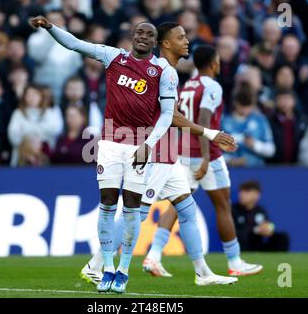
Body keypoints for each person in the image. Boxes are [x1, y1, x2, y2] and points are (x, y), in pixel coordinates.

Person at [80, 23, 238, 290]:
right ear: (165, 43)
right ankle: (95, 266)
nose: (186, 41)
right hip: (155, 154)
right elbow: (173, 117)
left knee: (186, 209)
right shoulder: (159, 70)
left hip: (169, 154)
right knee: (137, 214)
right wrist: (210, 134)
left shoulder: (170, 72)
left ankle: (202, 272)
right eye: (180, 38)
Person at [29, 16, 179, 294]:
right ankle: (107, 268)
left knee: (132, 207)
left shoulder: (164, 72)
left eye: (149, 34)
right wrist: (50, 27)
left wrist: (149, 143)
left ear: (156, 42)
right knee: (108, 203)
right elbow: (75, 44)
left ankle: (123, 270)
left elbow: (168, 114)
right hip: (110, 143)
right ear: (132, 37)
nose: (143, 37)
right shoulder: (113, 57)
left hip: (139, 145)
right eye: (139, 32)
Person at [144, 45, 262, 278]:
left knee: (177, 205)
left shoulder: (188, 85)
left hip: (183, 151)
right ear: (213, 63)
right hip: (205, 154)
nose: (219, 63)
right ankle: (235, 261)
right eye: (217, 59)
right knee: (223, 206)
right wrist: (207, 157)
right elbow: (204, 118)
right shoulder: (212, 86)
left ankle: (154, 255)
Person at [7, 84, 63, 166]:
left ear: (41, 96)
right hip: (21, 159)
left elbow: (56, 130)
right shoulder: (17, 113)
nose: (31, 98)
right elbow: (13, 137)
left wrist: (26, 130)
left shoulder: (50, 112)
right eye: (28, 95)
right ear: (24, 97)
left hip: (46, 158)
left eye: (34, 94)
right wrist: (40, 130)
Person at [222, 82, 276, 166]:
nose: (244, 110)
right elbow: (214, 151)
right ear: (235, 102)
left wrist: (255, 145)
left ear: (253, 103)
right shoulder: (224, 121)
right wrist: (230, 160)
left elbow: (271, 150)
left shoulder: (260, 120)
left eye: (248, 106)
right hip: (231, 171)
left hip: (257, 171)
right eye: (241, 105)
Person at [232, 181, 290, 252]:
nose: (241, 194)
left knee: (283, 237)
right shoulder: (233, 210)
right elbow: (235, 233)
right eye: (241, 191)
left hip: (259, 246)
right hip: (243, 247)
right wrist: (256, 230)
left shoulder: (260, 210)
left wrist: (269, 228)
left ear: (257, 194)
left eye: (247, 191)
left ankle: (280, 260)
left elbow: (269, 224)